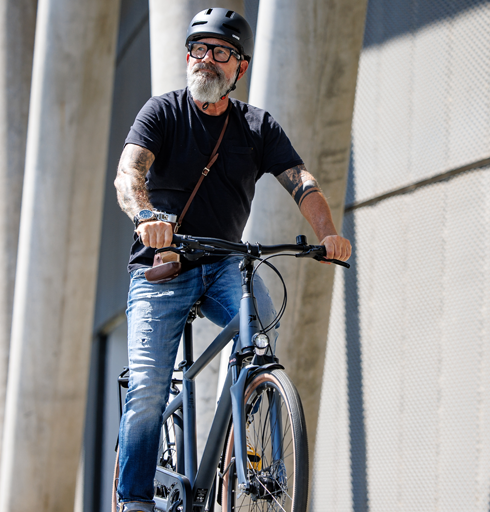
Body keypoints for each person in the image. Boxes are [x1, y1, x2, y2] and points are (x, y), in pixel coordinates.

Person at [112, 7, 352, 511]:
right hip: (163, 265)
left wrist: (328, 233)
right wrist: (146, 215)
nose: (207, 60)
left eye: (221, 52)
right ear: (188, 56)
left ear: (239, 67)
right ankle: (134, 499)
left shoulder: (257, 127)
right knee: (150, 387)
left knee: (260, 333)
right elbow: (129, 174)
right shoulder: (163, 112)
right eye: (199, 49)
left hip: (223, 263)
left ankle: (248, 459)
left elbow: (301, 182)